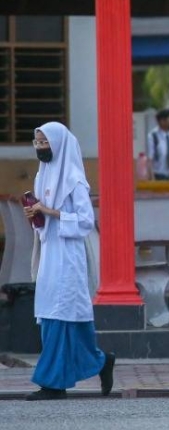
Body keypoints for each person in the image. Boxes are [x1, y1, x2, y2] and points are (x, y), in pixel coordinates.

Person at [23, 123, 114, 401]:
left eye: (44, 142)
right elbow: (43, 220)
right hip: (50, 253)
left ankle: (53, 383)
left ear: (59, 144)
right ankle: (99, 361)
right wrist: (36, 218)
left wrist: (48, 211)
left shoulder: (74, 179)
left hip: (69, 256)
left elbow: (86, 221)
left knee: (64, 315)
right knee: (53, 315)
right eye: (36, 142)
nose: (40, 147)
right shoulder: (42, 177)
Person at [146, 108, 169, 180]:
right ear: (162, 121)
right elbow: (150, 160)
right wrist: (152, 180)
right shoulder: (153, 137)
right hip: (159, 177)